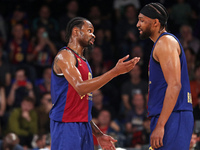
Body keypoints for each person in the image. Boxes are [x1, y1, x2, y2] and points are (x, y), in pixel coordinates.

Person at [50, 17, 140, 150]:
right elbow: (80, 88)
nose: (93, 35)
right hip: (66, 125)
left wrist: (98, 134)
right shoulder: (65, 56)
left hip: (84, 125)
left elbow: (81, 107)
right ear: (75, 32)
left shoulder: (84, 62)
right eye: (89, 30)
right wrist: (115, 72)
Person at [137, 3, 194, 150]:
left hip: (173, 116)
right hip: (170, 115)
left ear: (156, 22)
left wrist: (161, 125)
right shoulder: (161, 44)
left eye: (142, 20)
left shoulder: (165, 42)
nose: (138, 24)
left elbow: (175, 85)